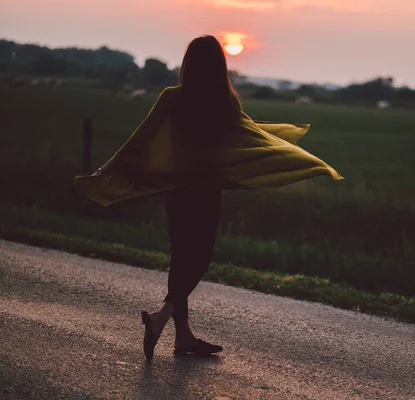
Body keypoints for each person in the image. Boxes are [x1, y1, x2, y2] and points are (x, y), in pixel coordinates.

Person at [74, 35, 342, 362]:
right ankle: (161, 320)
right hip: (204, 193)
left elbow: (139, 140)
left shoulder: (175, 97)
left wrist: (106, 168)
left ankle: (182, 338)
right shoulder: (225, 102)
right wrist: (293, 152)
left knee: (182, 258)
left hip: (176, 191)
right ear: (220, 65)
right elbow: (250, 139)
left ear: (188, 63)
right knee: (198, 260)